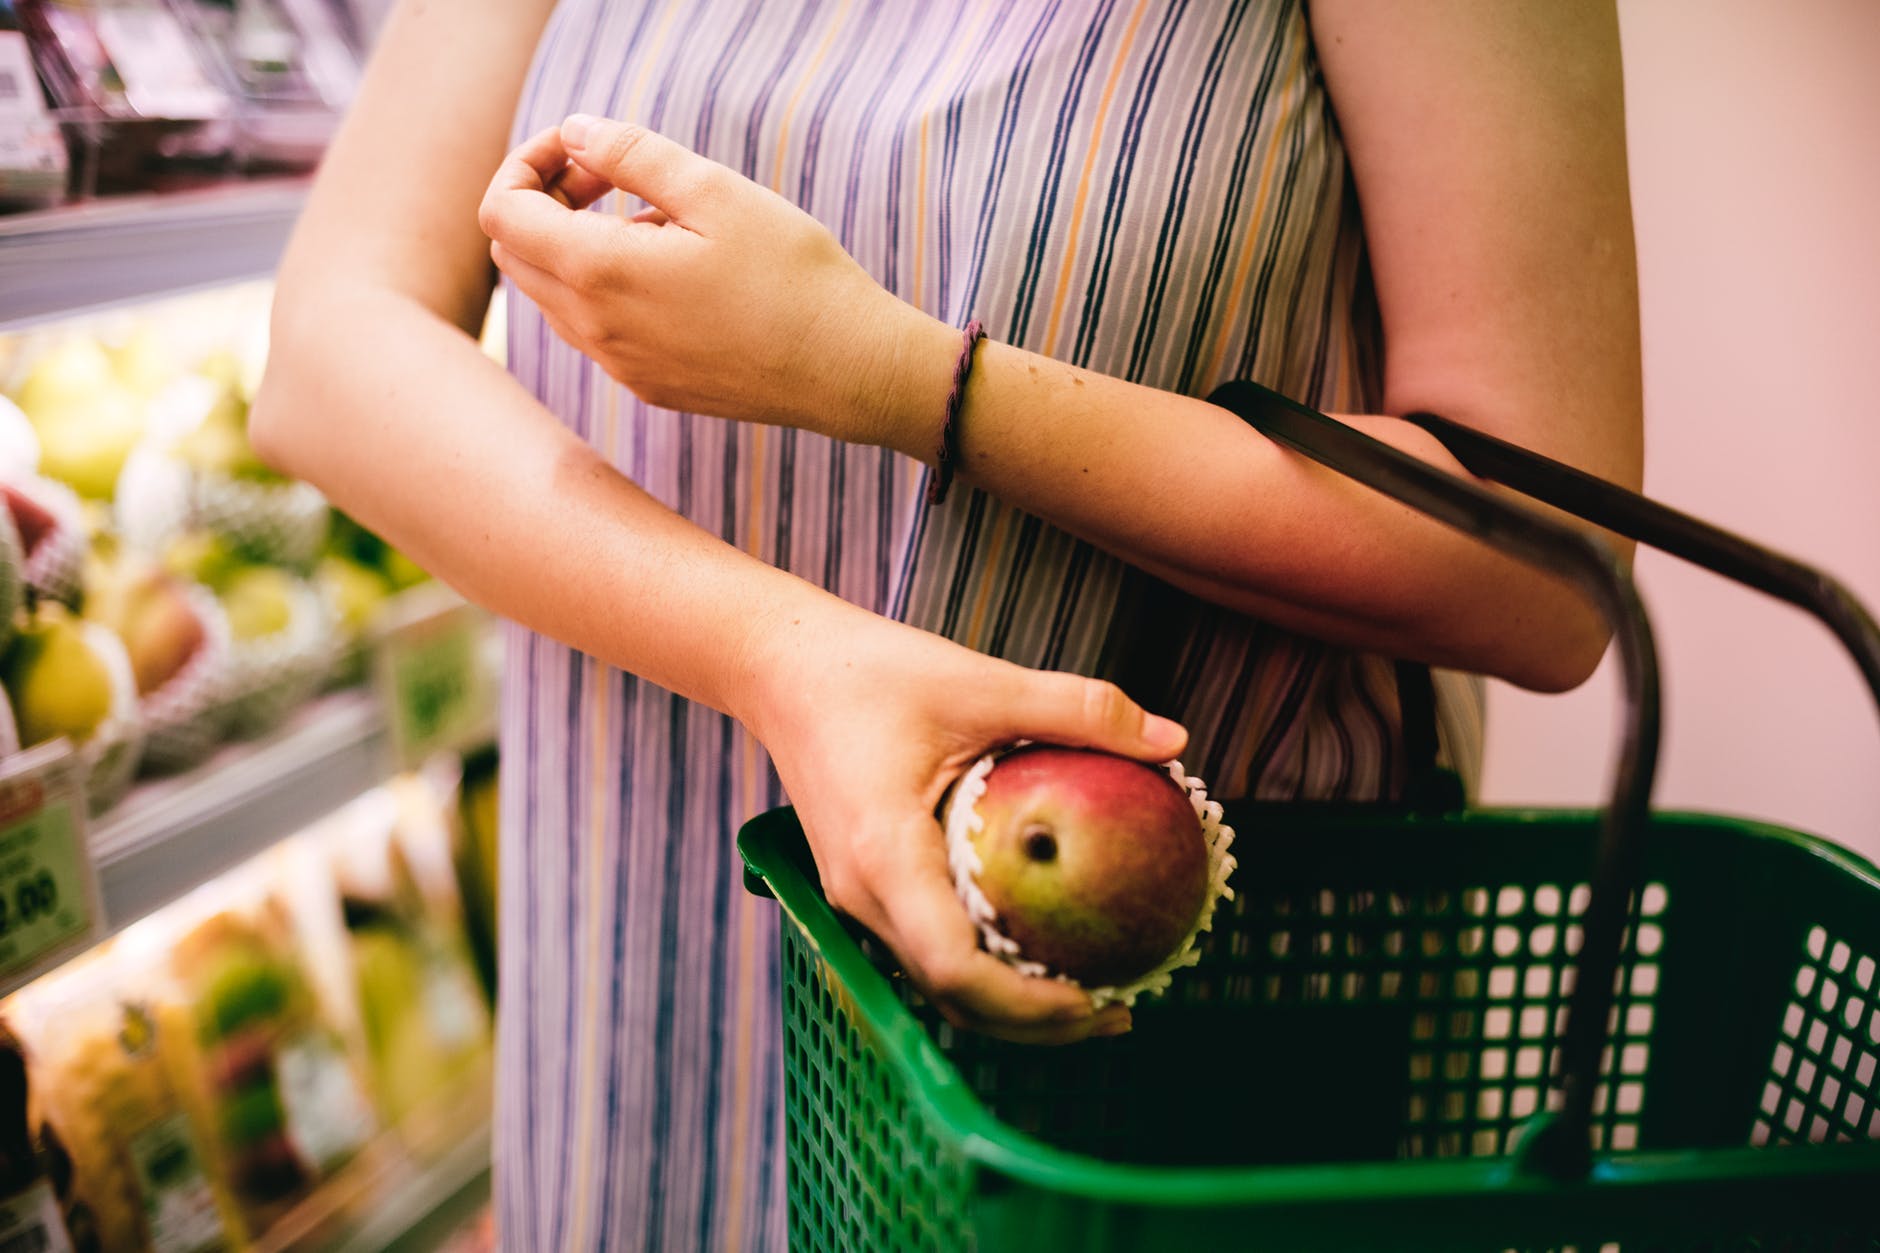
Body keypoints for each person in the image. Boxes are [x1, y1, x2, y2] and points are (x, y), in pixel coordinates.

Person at [250, 1, 1642, 1246]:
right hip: (644, 943)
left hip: (1157, 999)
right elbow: (331, 339)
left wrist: (895, 375)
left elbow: (1547, 568)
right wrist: (778, 651)